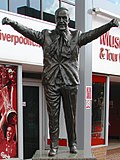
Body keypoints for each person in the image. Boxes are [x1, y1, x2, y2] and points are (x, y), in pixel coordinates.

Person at [2, 7, 119, 156]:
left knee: (71, 116)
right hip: (51, 81)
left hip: (70, 81)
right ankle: (54, 146)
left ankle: (73, 143)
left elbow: (93, 34)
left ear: (68, 20)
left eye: (65, 18)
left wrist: (109, 25)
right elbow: (28, 32)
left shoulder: (77, 36)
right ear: (55, 19)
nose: (62, 21)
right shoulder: (46, 35)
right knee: (53, 116)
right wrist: (13, 23)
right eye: (59, 18)